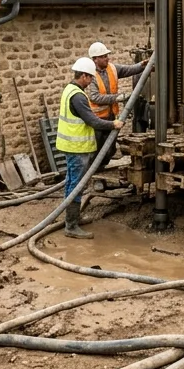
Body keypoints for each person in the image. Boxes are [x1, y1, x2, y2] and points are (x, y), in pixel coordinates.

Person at [57, 56, 124, 239]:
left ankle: (73, 218)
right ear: (84, 76)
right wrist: (113, 125)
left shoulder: (70, 89)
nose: (91, 81)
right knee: (76, 185)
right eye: (90, 78)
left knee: (73, 182)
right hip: (77, 148)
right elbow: (92, 121)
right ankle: (71, 226)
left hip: (72, 146)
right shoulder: (78, 96)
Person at [85, 42, 149, 191]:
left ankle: (101, 175)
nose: (107, 58)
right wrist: (118, 97)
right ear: (95, 59)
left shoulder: (112, 68)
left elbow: (129, 69)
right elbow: (94, 97)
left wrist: (142, 65)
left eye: (107, 55)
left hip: (111, 116)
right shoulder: (90, 75)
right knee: (98, 151)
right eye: (103, 56)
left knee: (111, 150)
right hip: (98, 119)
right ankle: (96, 180)